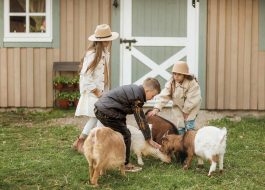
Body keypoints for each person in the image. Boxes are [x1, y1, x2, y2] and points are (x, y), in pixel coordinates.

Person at [94, 78, 162, 172]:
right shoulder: (137, 97)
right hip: (107, 112)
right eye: (153, 95)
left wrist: (123, 126)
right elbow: (140, 119)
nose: (153, 98)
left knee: (119, 132)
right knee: (126, 135)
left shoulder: (134, 90)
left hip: (102, 109)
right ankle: (125, 164)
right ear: (147, 90)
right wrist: (148, 138)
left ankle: (108, 156)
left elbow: (121, 112)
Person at [72, 24, 119, 153]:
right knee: (100, 116)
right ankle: (94, 144)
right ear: (102, 40)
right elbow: (86, 77)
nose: (110, 41)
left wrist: (105, 91)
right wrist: (97, 92)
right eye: (108, 39)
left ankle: (83, 141)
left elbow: (103, 74)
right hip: (94, 92)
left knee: (97, 117)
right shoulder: (92, 55)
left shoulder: (104, 53)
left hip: (102, 91)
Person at [148, 61, 201, 135]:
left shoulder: (192, 83)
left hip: (191, 106)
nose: (176, 76)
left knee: (189, 124)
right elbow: (164, 96)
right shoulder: (171, 83)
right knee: (180, 124)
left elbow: (192, 98)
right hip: (178, 106)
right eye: (174, 74)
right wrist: (157, 108)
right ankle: (181, 140)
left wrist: (186, 111)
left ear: (185, 75)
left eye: (179, 74)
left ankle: (190, 140)